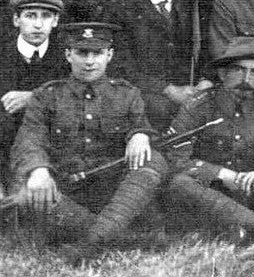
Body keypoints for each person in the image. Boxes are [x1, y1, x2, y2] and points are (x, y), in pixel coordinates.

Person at [10, 21, 168, 263]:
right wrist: (38, 171)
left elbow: (140, 123)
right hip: (67, 190)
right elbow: (29, 139)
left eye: (98, 53)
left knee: (153, 159)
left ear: (110, 56)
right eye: (82, 53)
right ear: (68, 54)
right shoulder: (46, 96)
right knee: (25, 194)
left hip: (114, 193)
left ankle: (90, 243)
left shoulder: (127, 94)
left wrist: (140, 134)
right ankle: (130, 238)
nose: (90, 61)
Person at [161, 36, 254, 245]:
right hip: (213, 192)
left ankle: (244, 226)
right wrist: (221, 174)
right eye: (239, 70)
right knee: (180, 183)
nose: (247, 78)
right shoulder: (198, 106)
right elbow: (175, 158)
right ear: (223, 73)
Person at [102, 0, 211, 130]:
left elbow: (208, 51)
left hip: (193, 93)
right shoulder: (120, 9)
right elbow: (120, 66)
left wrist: (204, 81)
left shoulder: (193, 3)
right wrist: (167, 90)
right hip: (147, 97)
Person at [0, 0, 69, 207]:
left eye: (46, 16)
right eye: (30, 16)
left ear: (56, 21)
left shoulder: (66, 56)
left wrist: (34, 97)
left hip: (45, 150)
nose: (38, 25)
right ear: (16, 19)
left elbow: (76, 96)